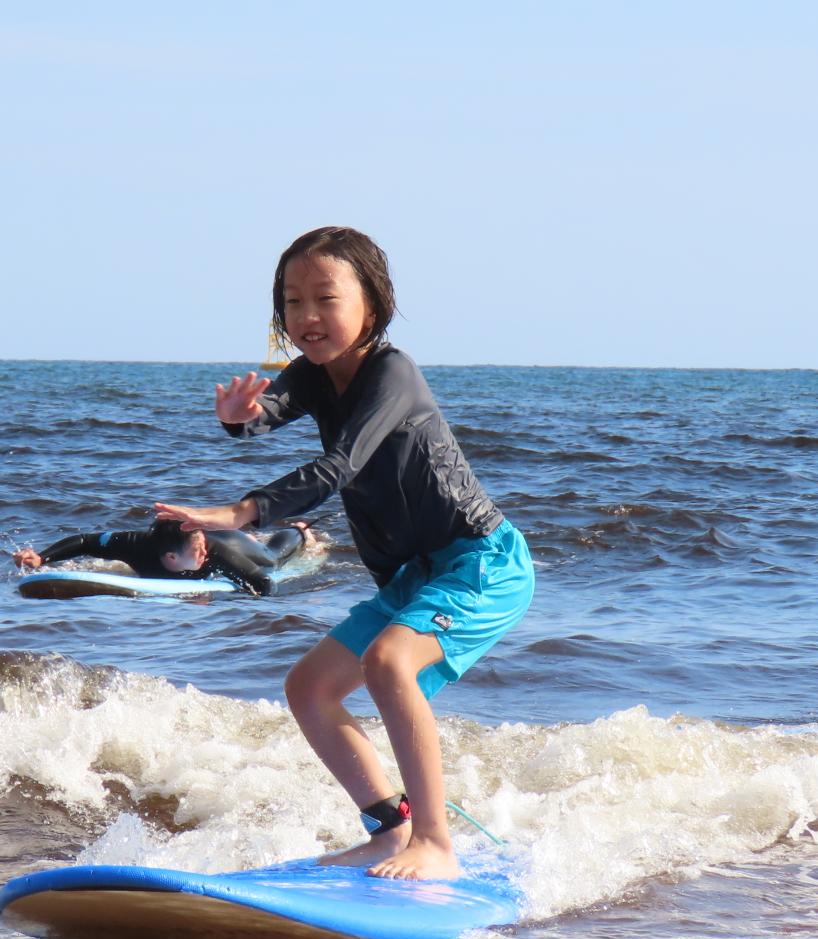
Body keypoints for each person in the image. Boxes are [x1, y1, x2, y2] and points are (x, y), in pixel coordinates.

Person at [155, 226, 535, 881]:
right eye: (292, 301)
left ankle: (436, 843)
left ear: (373, 306)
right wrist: (239, 418)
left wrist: (243, 512)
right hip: (416, 577)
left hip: (481, 563)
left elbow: (340, 464)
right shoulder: (313, 376)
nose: (307, 315)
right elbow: (270, 408)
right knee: (309, 688)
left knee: (390, 662)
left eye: (325, 299)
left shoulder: (393, 373)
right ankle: (392, 831)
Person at [13, 518, 311, 596]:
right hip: (206, 538)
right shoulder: (136, 545)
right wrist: (42, 558)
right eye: (197, 551)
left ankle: (298, 530)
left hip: (231, 542)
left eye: (202, 548)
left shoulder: (215, 553)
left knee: (271, 558)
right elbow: (85, 541)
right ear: (170, 556)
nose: (204, 554)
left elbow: (263, 582)